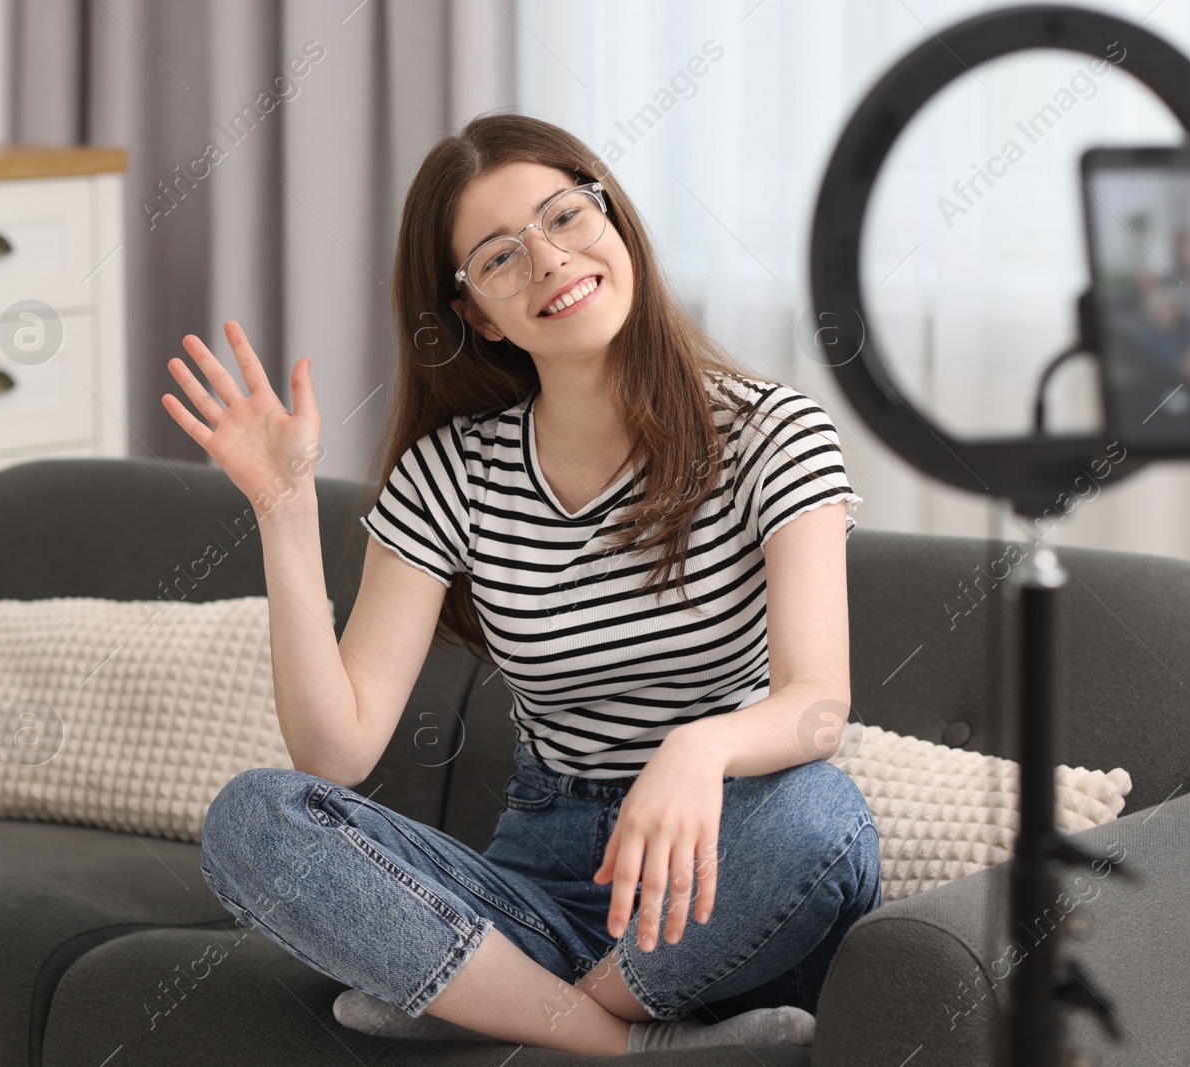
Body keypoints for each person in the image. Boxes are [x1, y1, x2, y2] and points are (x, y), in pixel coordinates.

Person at [161, 111, 882, 1057]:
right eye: (500, 257)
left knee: (822, 816)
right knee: (253, 818)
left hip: (719, 867)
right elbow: (334, 752)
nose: (546, 260)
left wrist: (700, 749)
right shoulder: (449, 473)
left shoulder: (772, 435)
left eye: (565, 217)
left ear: (613, 221)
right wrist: (285, 509)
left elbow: (819, 706)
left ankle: (484, 997)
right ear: (477, 316)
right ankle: (616, 1039)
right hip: (543, 875)